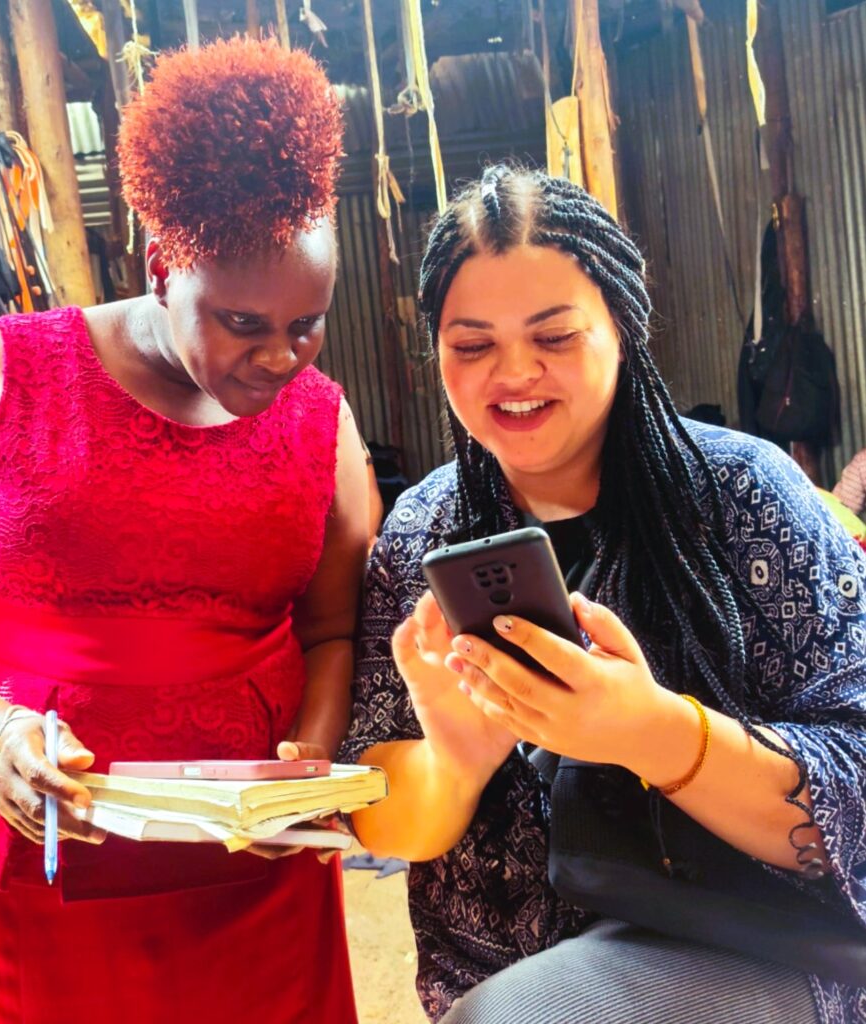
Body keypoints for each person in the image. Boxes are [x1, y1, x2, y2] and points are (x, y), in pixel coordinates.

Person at [0, 38, 368, 1024]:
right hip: (32, 862)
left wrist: (307, 765)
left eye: (305, 324)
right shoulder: (2, 375)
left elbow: (331, 629)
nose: (280, 358)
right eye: (241, 323)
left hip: (250, 875)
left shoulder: (322, 421)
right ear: (160, 268)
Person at [342, 166, 866, 1024]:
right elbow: (377, 805)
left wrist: (651, 733)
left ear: (621, 327)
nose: (514, 373)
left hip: (749, 946)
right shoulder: (422, 532)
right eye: (471, 346)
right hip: (492, 970)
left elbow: (854, 780)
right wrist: (454, 760)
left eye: (553, 336)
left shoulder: (742, 496)